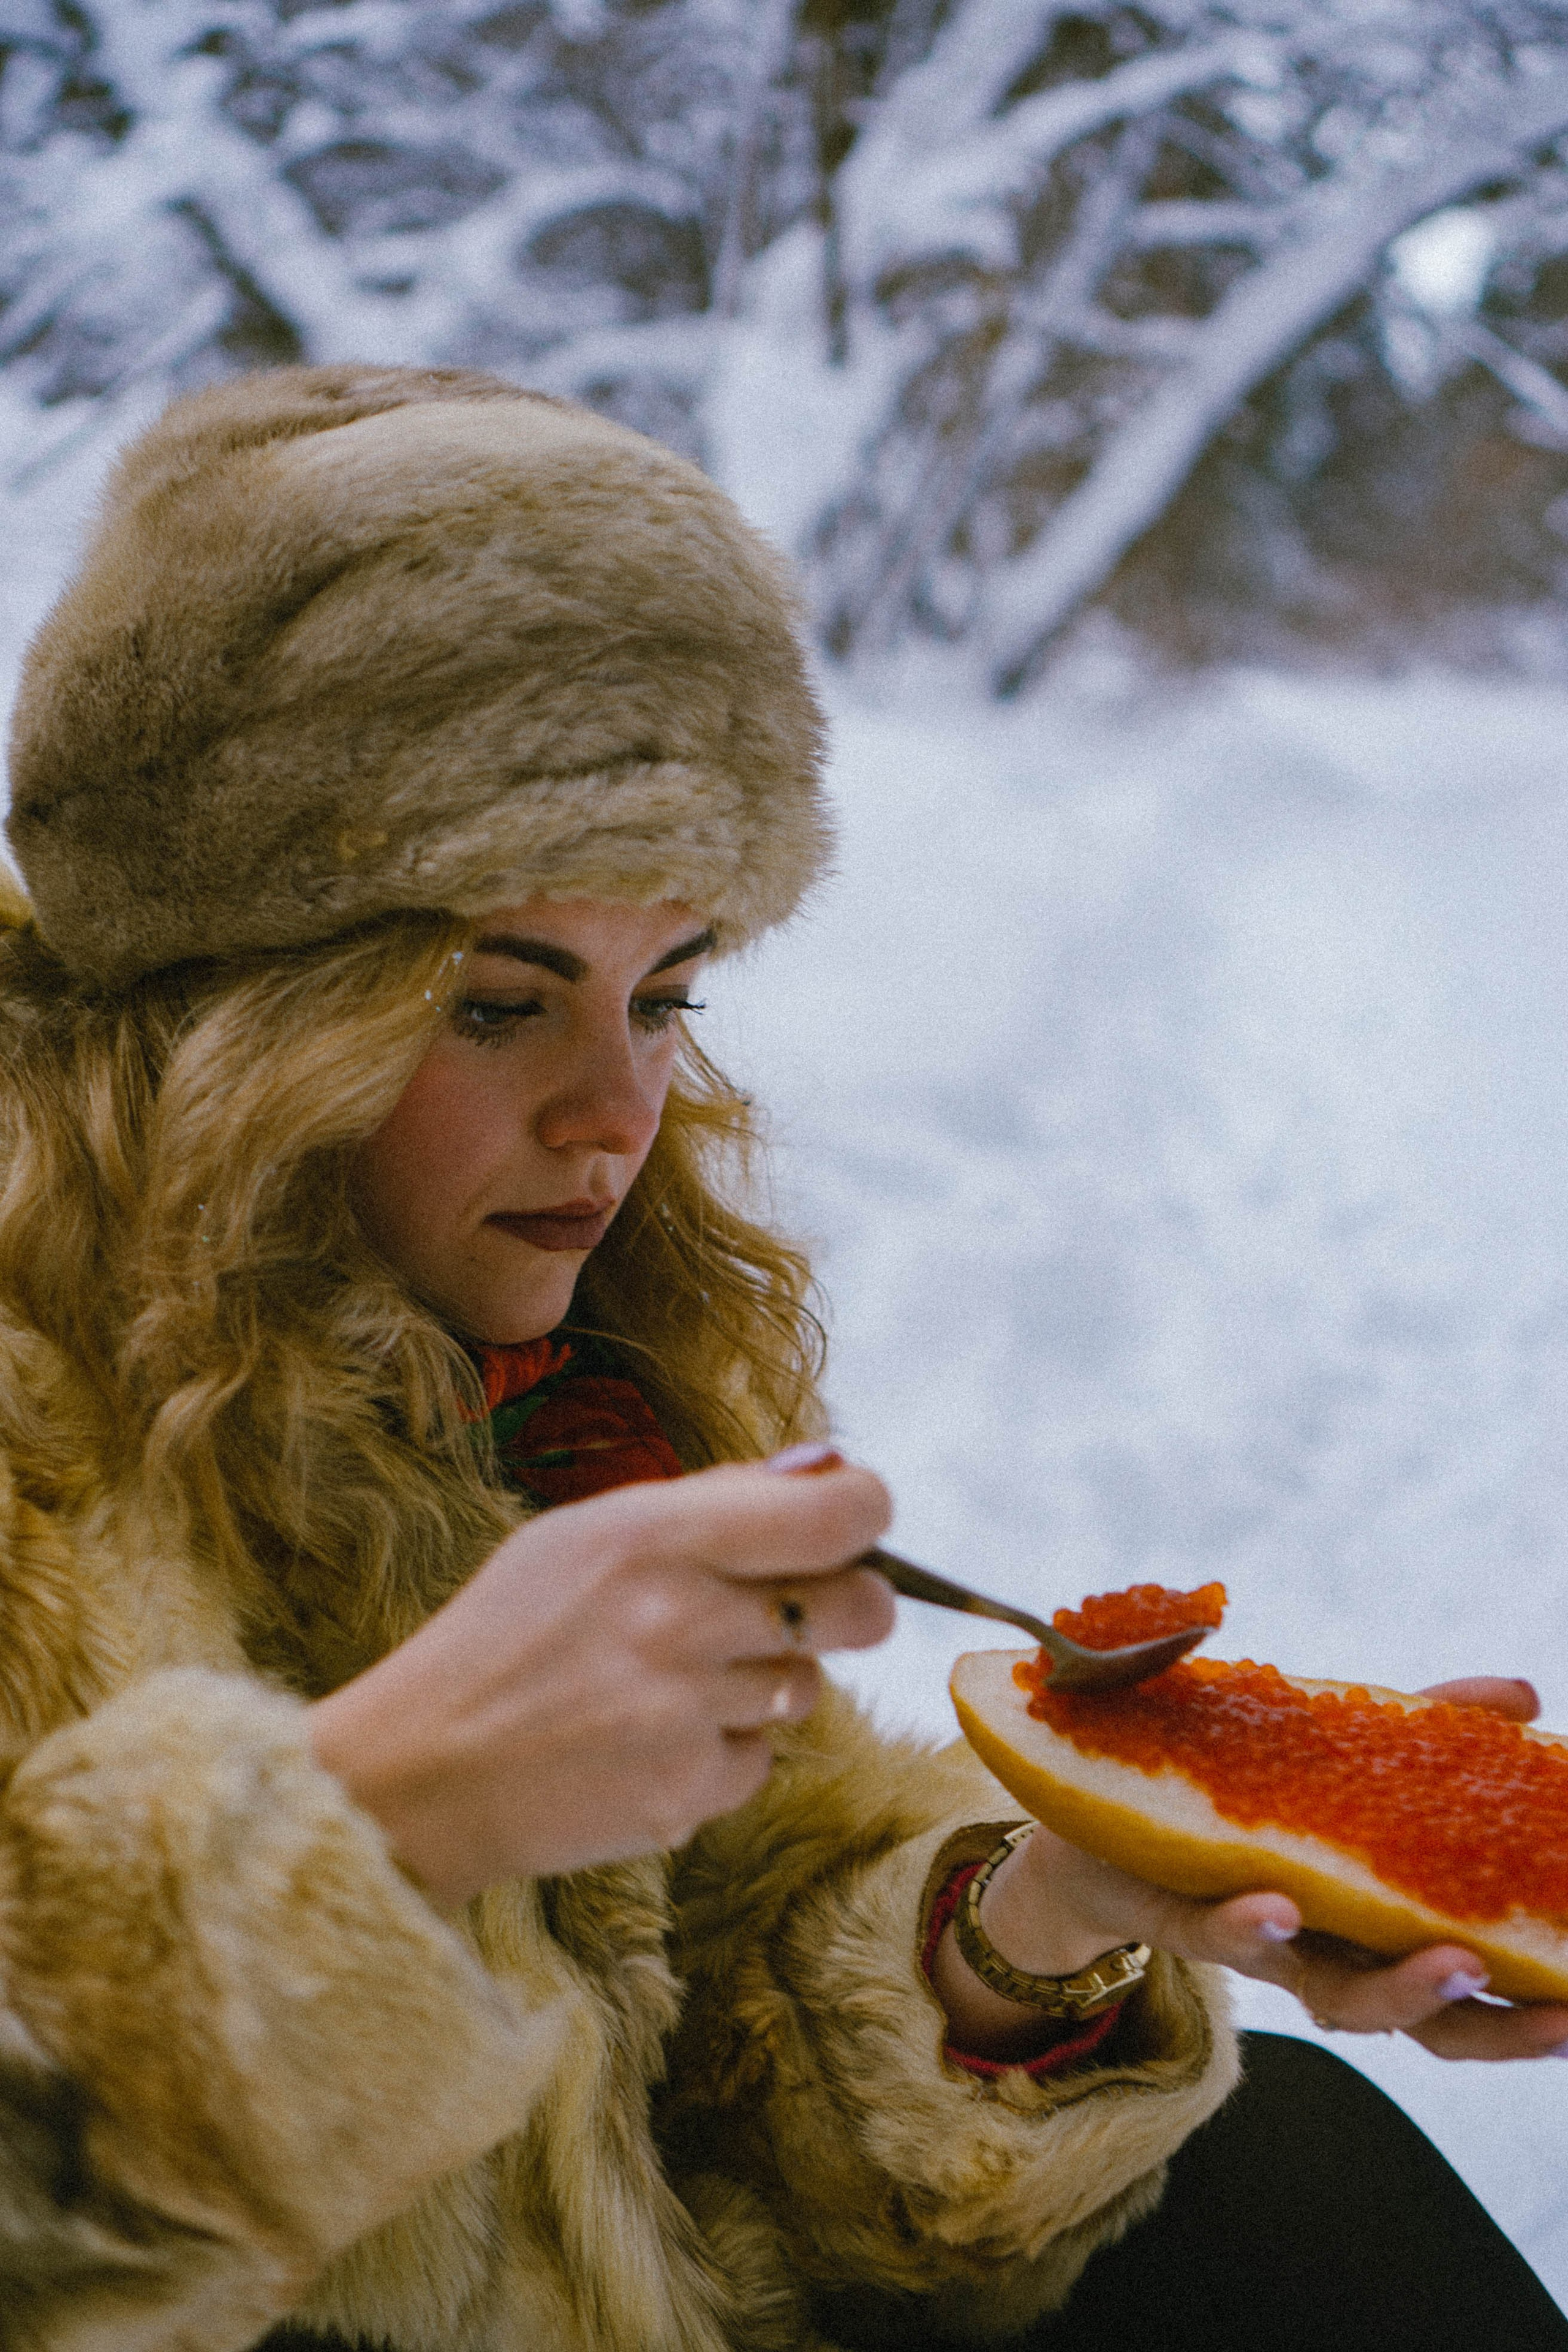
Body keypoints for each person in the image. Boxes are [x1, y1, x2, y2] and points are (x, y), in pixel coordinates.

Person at [0, 363, 1562, 2352]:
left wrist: (1043, 1927)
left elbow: (720, 2061)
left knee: (1296, 2165)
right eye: (499, 1005)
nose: (616, 1114)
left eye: (664, 995)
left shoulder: (559, 1390)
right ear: (232, 1004)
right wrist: (371, 1826)